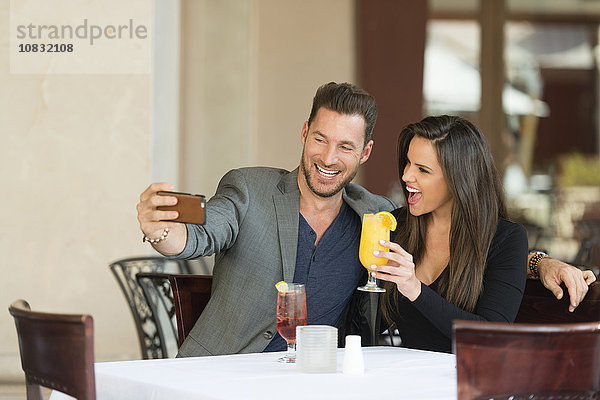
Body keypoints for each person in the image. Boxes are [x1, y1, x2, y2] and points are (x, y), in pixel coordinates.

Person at [137, 83, 595, 357]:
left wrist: (539, 263)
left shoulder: (374, 217)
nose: (328, 158)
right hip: (227, 377)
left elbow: (490, 253)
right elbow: (201, 231)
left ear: (364, 153)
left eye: (346, 147)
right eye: (320, 139)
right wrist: (162, 230)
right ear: (304, 134)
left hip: (329, 383)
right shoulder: (252, 190)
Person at [370, 115, 594, 353]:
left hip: (469, 382)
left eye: (423, 170)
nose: (406, 176)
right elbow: (373, 323)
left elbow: (491, 333)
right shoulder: (399, 225)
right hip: (408, 377)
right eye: (408, 162)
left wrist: (415, 289)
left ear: (459, 179)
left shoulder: (505, 239)